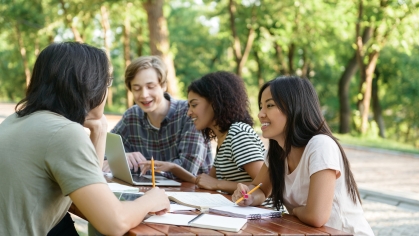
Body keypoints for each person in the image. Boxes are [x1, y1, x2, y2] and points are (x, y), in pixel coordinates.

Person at [0, 42, 170, 236]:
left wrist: (99, 129)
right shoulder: (63, 133)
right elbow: (114, 223)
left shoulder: (17, 120)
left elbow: (87, 186)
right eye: (107, 83)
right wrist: (152, 199)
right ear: (90, 86)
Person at [231, 76, 374, 235]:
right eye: (260, 107)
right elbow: (261, 190)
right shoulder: (277, 151)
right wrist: (248, 196)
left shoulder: (320, 146)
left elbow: (317, 216)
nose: (260, 114)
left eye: (270, 105)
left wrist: (296, 211)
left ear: (295, 107)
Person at [104, 56, 212, 181]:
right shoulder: (132, 116)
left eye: (150, 87)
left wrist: (134, 166)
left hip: (194, 193)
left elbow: (187, 169)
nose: (144, 95)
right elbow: (104, 152)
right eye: (137, 88)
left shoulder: (189, 114)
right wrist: (123, 158)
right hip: (148, 193)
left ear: (163, 85)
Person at [187, 71, 265, 193]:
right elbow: (208, 181)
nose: (189, 112)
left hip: (260, 210)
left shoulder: (238, 133)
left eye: (194, 105)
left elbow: (264, 184)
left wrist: (218, 184)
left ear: (215, 103)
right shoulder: (223, 138)